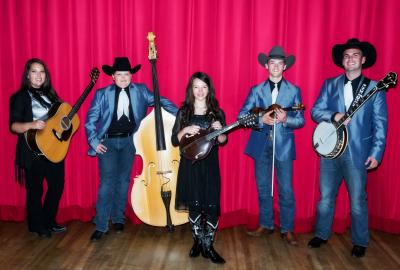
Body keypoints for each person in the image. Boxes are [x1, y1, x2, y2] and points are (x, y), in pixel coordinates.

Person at [308, 38, 388, 257]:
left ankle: (360, 240)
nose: (350, 59)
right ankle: (322, 234)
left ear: (363, 60)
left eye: (355, 55)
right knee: (325, 198)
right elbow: (315, 111)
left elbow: (381, 124)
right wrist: (334, 115)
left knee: (357, 201)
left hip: (358, 153)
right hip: (330, 151)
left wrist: (376, 153)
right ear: (342, 62)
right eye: (346, 56)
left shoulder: (375, 88)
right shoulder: (329, 84)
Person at [85, 57, 177, 241]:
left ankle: (119, 218)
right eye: (119, 74)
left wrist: (181, 115)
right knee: (107, 183)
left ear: (131, 76)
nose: (123, 78)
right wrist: (94, 142)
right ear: (112, 76)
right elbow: (90, 120)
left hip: (130, 142)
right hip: (108, 143)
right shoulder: (102, 94)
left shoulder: (140, 91)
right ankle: (102, 225)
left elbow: (161, 101)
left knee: (124, 180)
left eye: (126, 74)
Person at [238, 46, 304, 245]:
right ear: (266, 66)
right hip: (261, 145)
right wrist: (261, 120)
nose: (275, 67)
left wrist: (286, 120)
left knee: (286, 189)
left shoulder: (294, 91)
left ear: (285, 67)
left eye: (279, 63)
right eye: (272, 63)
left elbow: (300, 120)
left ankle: (287, 228)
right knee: (263, 187)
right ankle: (266, 224)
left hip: (283, 146)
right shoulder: (256, 90)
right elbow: (241, 117)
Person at [171, 72, 227, 264]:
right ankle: (197, 242)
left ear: (208, 90)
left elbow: (222, 140)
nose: (200, 91)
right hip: (190, 165)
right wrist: (185, 130)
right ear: (191, 89)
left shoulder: (216, 113)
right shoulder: (184, 112)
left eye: (204, 87)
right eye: (196, 87)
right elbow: (173, 140)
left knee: (211, 204)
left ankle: (208, 246)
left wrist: (220, 131)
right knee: (194, 203)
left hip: (210, 165)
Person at [9, 58, 67, 238]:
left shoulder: (52, 95)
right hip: (32, 151)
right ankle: (37, 225)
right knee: (35, 190)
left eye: (41, 72)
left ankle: (49, 221)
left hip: (54, 149)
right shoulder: (20, 97)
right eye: (34, 71)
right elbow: (13, 126)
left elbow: (59, 119)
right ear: (27, 75)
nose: (38, 75)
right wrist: (31, 124)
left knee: (57, 187)